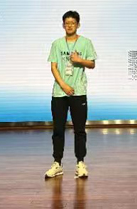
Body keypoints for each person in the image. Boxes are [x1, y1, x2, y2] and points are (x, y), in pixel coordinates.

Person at [45, 11, 97, 179]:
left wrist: (79, 60)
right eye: (67, 23)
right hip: (59, 92)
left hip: (78, 92)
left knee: (79, 130)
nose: (69, 26)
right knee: (58, 129)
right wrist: (64, 85)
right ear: (63, 25)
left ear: (78, 25)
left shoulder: (86, 43)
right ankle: (57, 163)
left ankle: (80, 163)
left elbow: (92, 64)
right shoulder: (57, 44)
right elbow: (53, 67)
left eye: (72, 23)